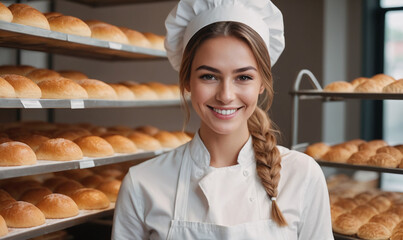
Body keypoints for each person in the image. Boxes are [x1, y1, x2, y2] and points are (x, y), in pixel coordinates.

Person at [112, 0, 334, 239]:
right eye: (209, 76)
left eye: (244, 77)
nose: (226, 96)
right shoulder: (142, 183)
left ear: (262, 83)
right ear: (187, 81)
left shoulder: (302, 175)